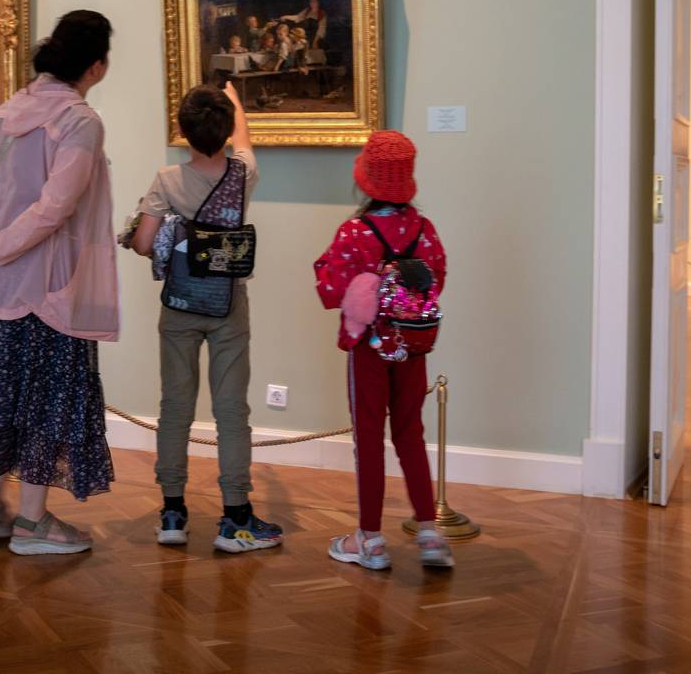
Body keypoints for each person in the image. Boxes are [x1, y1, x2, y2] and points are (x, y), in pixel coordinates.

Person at [0, 10, 119, 556]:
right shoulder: (79, 122)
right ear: (96, 66)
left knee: (4, 392)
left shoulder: (12, 110)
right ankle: (30, 522)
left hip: (0, 285)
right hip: (50, 288)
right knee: (48, 399)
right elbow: (55, 208)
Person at [126, 83, 283, 553]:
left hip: (179, 305)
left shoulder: (166, 179)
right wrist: (235, 102)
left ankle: (173, 513)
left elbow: (142, 243)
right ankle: (236, 517)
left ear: (183, 130)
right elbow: (244, 140)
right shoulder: (243, 173)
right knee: (231, 411)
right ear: (226, 127)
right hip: (227, 304)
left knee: (175, 406)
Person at [313, 131, 453, 571]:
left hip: (368, 350)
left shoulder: (354, 232)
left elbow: (330, 289)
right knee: (411, 433)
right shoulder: (424, 231)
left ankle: (370, 540)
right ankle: (429, 533)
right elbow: (437, 280)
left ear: (366, 181)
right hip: (413, 348)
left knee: (369, 439)